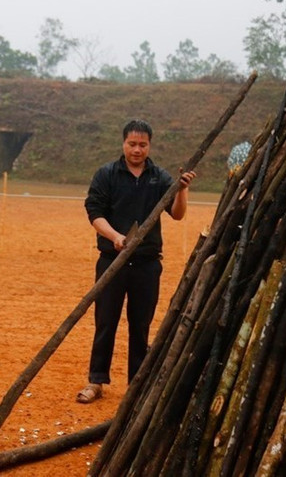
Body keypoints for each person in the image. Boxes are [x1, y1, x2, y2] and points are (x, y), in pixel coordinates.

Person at [76, 119, 196, 404]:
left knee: (140, 325)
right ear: (123, 143)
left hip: (147, 264)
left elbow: (178, 214)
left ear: (149, 146)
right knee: (105, 321)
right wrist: (116, 237)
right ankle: (96, 381)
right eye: (132, 144)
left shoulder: (160, 177)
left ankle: (137, 385)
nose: (137, 150)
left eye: (143, 145)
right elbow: (94, 213)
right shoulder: (107, 174)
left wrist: (181, 190)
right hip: (112, 261)